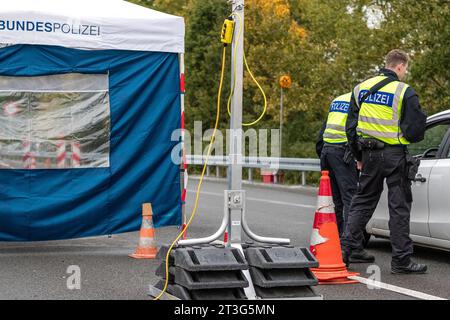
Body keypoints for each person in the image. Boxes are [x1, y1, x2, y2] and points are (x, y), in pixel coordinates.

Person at [342, 49, 428, 274]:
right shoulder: (403, 91)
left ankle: (343, 254)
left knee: (362, 203)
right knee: (398, 207)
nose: (405, 72)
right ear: (400, 66)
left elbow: (350, 128)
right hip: (394, 156)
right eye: (405, 68)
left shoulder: (360, 89)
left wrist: (359, 157)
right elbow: (416, 130)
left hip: (369, 155)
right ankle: (401, 261)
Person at [316, 93, 358, 238]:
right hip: (342, 153)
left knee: (335, 201)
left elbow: (323, 130)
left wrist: (322, 153)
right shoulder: (358, 101)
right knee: (350, 199)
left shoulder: (338, 99)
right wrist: (359, 156)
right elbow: (354, 131)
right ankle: (349, 243)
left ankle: (335, 237)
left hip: (327, 152)